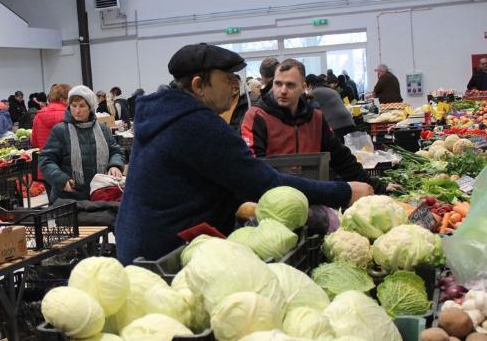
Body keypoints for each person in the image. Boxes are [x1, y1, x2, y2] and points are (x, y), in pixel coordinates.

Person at [115, 44, 372, 264]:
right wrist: (344, 191)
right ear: (199, 85)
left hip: (140, 246)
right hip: (167, 256)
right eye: (227, 78)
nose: (234, 85)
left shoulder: (165, 115)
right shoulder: (195, 124)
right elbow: (266, 184)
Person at [241, 59, 386, 192]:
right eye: (278, 84)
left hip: (314, 199)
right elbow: (255, 169)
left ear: (304, 87)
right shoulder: (256, 117)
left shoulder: (315, 117)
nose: (283, 90)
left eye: (290, 85)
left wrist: (376, 186)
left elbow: (341, 158)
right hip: (273, 199)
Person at [40, 85, 125, 203]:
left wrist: (115, 165)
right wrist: (61, 179)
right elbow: (46, 160)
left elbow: (116, 151)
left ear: (90, 107)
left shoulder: (103, 129)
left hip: (100, 193)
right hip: (69, 198)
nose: (77, 110)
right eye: (73, 106)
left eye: (82, 106)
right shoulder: (60, 130)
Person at [32, 83, 71, 193]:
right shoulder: (70, 115)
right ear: (64, 99)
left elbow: (34, 142)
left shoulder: (38, 116)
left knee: (54, 205)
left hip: (47, 168)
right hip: (67, 167)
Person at [307, 74, 356, 138]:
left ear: (310, 85)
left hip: (336, 126)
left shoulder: (314, 92)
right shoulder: (332, 90)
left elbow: (306, 108)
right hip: (349, 122)